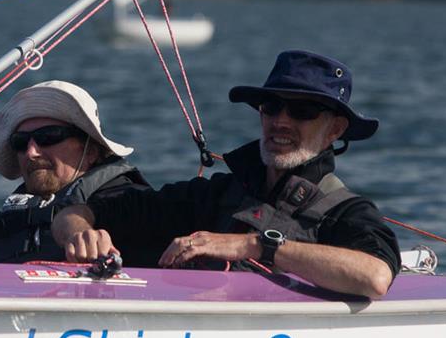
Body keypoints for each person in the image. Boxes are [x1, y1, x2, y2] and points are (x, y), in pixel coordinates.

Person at [52, 50, 401, 298]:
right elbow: (78, 209)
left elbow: (375, 276)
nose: (281, 120)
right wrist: (80, 233)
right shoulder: (215, 194)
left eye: (302, 110)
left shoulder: (346, 212)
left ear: (335, 129)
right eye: (271, 107)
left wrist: (253, 246)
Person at [0, 80, 161, 265]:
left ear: (90, 151)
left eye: (48, 137)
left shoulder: (127, 204)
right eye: (20, 141)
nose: (31, 153)